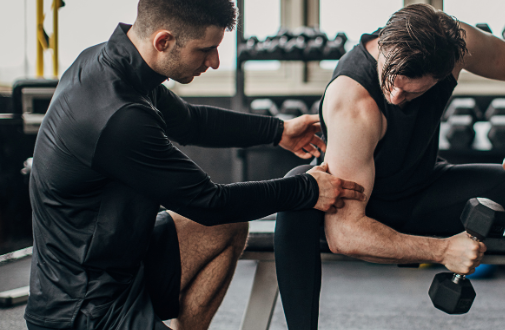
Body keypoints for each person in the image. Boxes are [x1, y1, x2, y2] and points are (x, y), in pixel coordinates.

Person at [24, 1, 365, 329]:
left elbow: (191, 122)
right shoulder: (119, 118)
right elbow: (209, 203)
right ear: (164, 41)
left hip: (124, 259)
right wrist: (306, 189)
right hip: (85, 308)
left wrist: (278, 131)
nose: (215, 61)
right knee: (218, 216)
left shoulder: (117, 66)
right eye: (205, 50)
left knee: (228, 228)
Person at [275, 3, 505, 330]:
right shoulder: (353, 101)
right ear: (385, 43)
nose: (394, 96)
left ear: (448, 70)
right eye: (391, 79)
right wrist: (443, 250)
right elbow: (345, 235)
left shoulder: (457, 43)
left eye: (409, 93)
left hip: (422, 186)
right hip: (357, 207)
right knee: (297, 191)